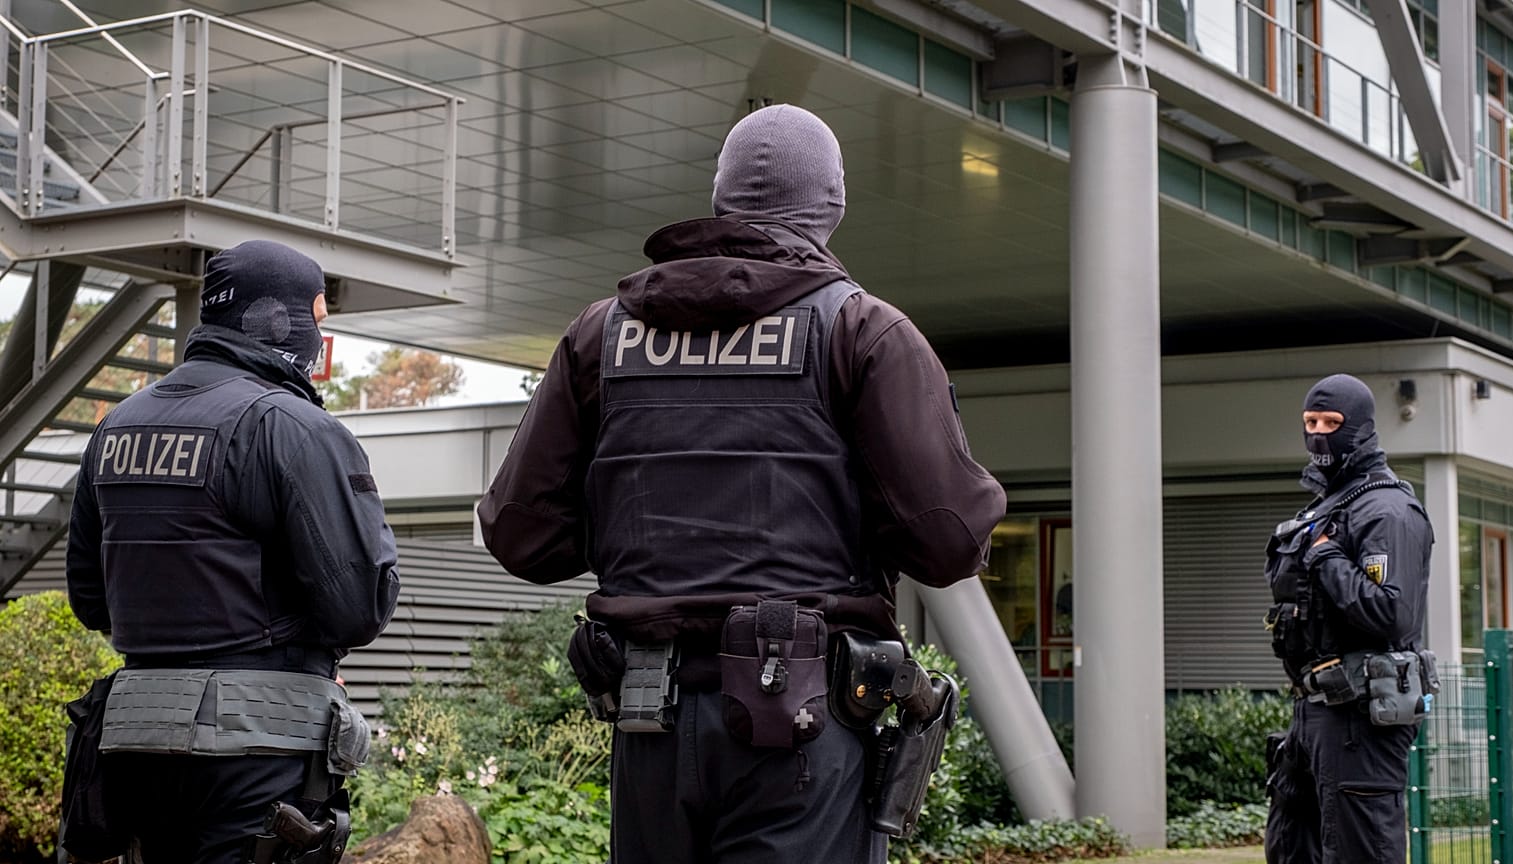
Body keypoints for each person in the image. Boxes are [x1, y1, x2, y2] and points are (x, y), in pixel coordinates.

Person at [477, 104, 1006, 864]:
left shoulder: (601, 334)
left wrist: (643, 520)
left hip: (648, 723)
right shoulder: (863, 330)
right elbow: (949, 540)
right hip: (802, 730)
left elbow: (522, 535)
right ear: (832, 204)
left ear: (721, 195)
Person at [64, 240, 400, 864]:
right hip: (256, 754)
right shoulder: (294, 427)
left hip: (131, 746)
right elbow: (359, 605)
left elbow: (90, 599)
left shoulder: (116, 426)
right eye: (318, 322)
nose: (320, 343)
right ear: (276, 320)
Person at [1263, 373, 1434, 864]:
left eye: (1331, 422)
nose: (1318, 433)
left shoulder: (1388, 510)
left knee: (1361, 852)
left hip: (1361, 719)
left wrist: (1328, 560)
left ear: (1358, 426)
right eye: (1310, 421)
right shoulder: (1327, 507)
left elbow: (1392, 614)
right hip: (1314, 711)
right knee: (1292, 848)